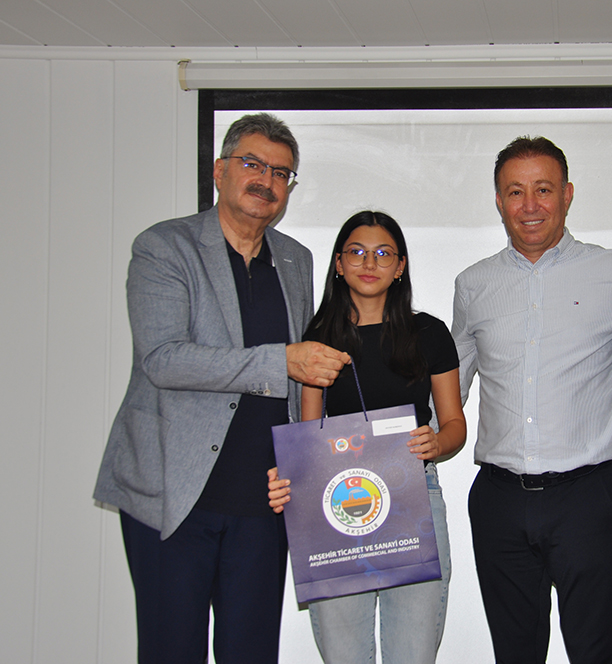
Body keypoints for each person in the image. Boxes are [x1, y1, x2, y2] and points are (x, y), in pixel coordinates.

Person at [93, 113, 350, 664]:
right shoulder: (165, 246)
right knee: (170, 650)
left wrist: (307, 464)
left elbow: (301, 385)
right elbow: (164, 359)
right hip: (173, 496)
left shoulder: (296, 260)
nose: (266, 180)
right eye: (252, 164)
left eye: (281, 173)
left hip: (264, 503)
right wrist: (281, 359)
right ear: (219, 170)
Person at [451, 136, 612, 663]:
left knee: (597, 651)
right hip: (499, 500)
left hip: (588, 496)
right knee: (514, 654)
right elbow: (448, 389)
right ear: (499, 201)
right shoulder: (474, 284)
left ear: (567, 194)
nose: (529, 205)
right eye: (515, 191)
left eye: (543, 189)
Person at [268, 211, 466, 663]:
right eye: (356, 252)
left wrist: (437, 443)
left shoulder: (429, 333)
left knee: (412, 654)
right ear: (339, 264)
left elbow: (455, 423)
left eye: (383, 253)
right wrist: (290, 475)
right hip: (333, 502)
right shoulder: (318, 340)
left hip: (414, 498)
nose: (369, 262)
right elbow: (308, 434)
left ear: (400, 266)